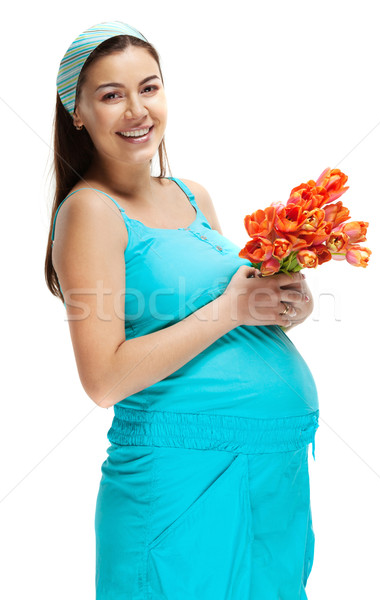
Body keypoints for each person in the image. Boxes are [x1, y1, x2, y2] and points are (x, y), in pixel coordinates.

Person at [45, 20, 320, 600]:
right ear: (77, 111)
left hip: (274, 470)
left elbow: (235, 305)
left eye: (149, 87)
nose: (136, 110)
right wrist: (233, 308)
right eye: (110, 95)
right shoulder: (90, 212)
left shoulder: (192, 195)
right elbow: (103, 379)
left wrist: (281, 304)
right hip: (181, 480)